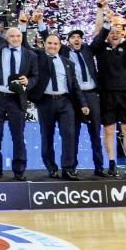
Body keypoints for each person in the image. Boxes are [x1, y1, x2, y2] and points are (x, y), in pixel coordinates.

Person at [37, 15, 107, 176]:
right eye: (73, 37)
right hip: (70, 98)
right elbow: (48, 40)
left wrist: (105, 19)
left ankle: (98, 167)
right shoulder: (63, 52)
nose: (77, 40)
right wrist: (40, 23)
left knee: (95, 132)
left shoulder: (89, 50)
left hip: (89, 95)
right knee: (70, 133)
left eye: (79, 37)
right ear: (66, 42)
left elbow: (101, 36)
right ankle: (69, 167)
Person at [0, 0, 38, 180]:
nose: (15, 38)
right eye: (12, 36)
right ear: (6, 37)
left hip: (17, 98)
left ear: (22, 37)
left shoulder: (30, 55)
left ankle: (19, 170)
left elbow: (35, 76)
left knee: (18, 136)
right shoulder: (0, 46)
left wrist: (28, 82)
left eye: (18, 36)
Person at [29, 32, 89, 180]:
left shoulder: (68, 63)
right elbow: (24, 45)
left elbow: (75, 85)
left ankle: (68, 169)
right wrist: (24, 26)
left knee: (69, 135)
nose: (52, 46)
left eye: (55, 44)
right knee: (47, 136)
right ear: (44, 45)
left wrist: (83, 104)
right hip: (45, 102)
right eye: (49, 43)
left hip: (65, 102)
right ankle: (51, 168)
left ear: (60, 46)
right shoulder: (38, 58)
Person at [92, 0, 126, 177]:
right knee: (109, 130)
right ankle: (111, 163)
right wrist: (101, 10)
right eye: (111, 32)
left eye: (118, 31)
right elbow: (97, 31)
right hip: (106, 93)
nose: (115, 34)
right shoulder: (101, 48)